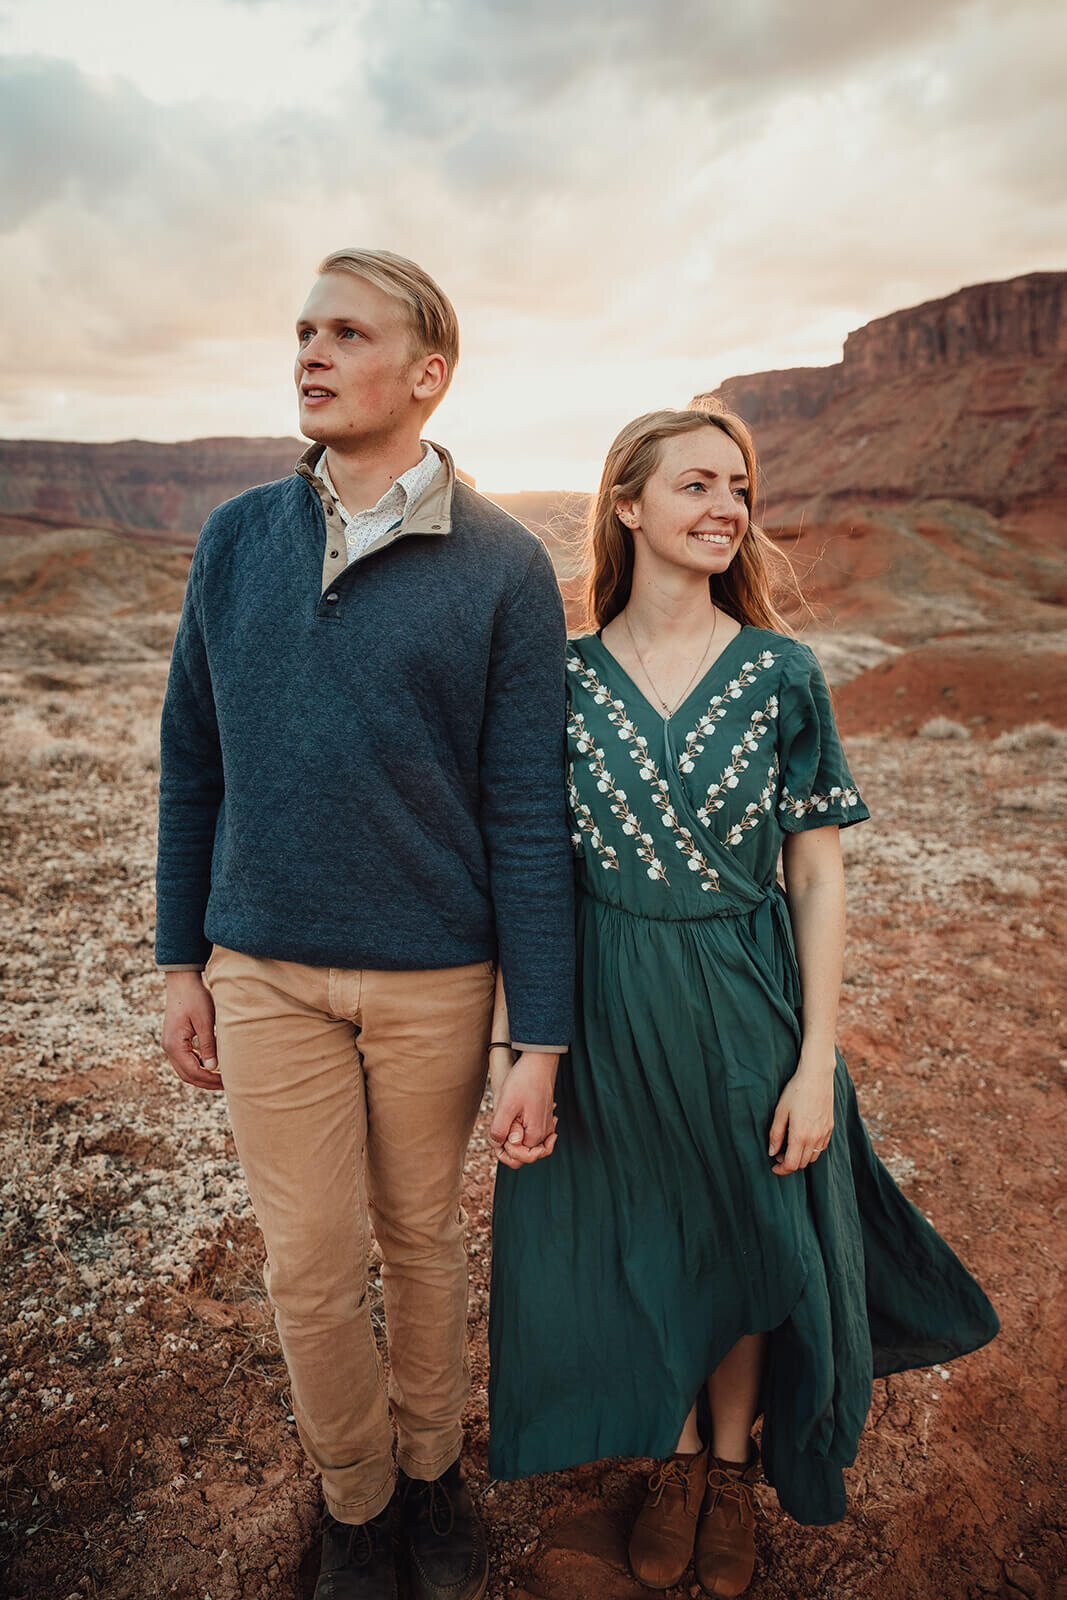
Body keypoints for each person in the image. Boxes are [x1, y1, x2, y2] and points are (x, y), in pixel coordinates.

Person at [486, 404, 998, 1597]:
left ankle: (727, 1463)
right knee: (640, 1223)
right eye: (696, 484)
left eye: (740, 488)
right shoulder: (557, 679)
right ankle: (668, 1456)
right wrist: (527, 1043)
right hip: (605, 997)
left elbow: (814, 873)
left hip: (740, 987)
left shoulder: (781, 672)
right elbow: (534, 874)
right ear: (626, 504)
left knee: (748, 1223)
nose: (726, 506)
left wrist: (816, 1055)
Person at [156, 247, 574, 1600]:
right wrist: (179, 959)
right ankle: (356, 1507)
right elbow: (191, 757)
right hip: (263, 967)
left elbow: (524, 813)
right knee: (309, 1266)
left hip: (433, 981)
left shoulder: (505, 566)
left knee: (421, 1241)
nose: (311, 355)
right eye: (301, 331)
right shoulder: (235, 541)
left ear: (426, 372)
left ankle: (434, 1477)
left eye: (346, 332)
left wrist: (541, 1037)